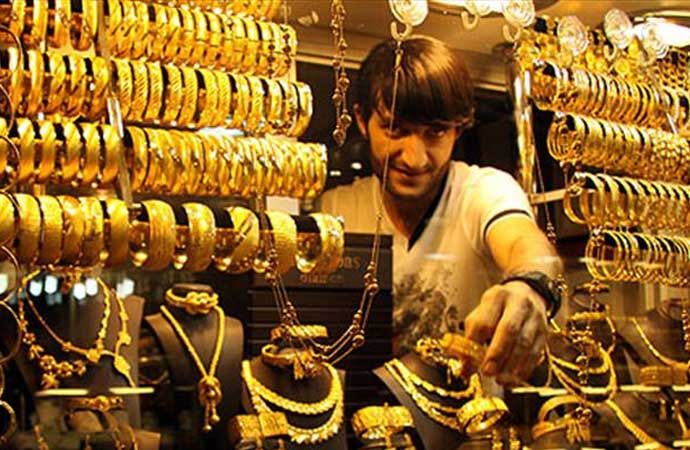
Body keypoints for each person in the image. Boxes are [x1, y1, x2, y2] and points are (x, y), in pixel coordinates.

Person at [317, 35, 563, 385]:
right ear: (361, 120)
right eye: (394, 129)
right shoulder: (337, 208)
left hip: (471, 416)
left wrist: (530, 284)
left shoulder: (484, 191)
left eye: (435, 132)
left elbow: (524, 241)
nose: (414, 158)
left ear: (458, 130)